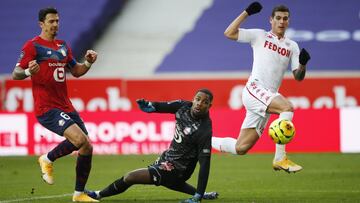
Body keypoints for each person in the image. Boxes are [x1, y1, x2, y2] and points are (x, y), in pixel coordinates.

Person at [212, 2, 311, 173]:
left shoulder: (292, 46)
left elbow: (298, 77)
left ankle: (203, 139)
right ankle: (280, 158)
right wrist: (247, 12)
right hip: (254, 89)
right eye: (278, 18)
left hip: (268, 96)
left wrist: (302, 64)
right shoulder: (260, 35)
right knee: (287, 108)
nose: (281, 22)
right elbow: (229, 33)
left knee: (240, 148)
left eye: (285, 19)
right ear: (270, 20)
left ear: (288, 21)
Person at [12, 7, 98, 202]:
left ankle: (78, 194)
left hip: (66, 105)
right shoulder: (33, 46)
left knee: (87, 147)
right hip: (47, 108)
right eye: (51, 21)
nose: (55, 25)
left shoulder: (63, 46)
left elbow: (75, 71)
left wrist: (88, 63)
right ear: (41, 24)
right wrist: (28, 72)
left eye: (57, 21)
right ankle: (48, 159)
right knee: (81, 141)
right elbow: (15, 73)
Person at [85, 89, 218, 203]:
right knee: (172, 183)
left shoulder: (204, 130)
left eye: (205, 102)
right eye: (197, 99)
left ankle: (98, 195)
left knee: (130, 177)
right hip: (167, 158)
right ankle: (204, 194)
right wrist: (151, 106)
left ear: (209, 106)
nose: (199, 103)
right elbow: (162, 106)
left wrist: (197, 197)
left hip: (178, 170)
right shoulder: (183, 106)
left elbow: (205, 164)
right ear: (193, 99)